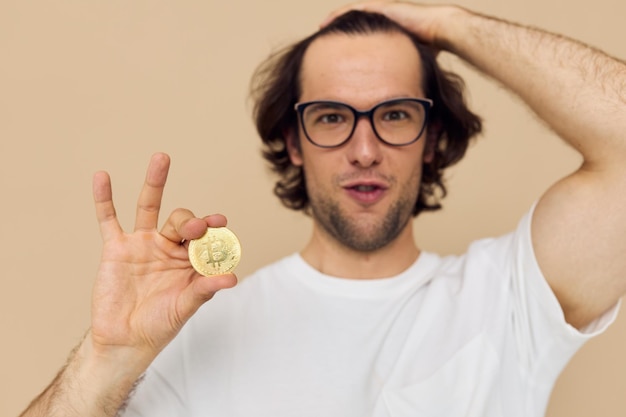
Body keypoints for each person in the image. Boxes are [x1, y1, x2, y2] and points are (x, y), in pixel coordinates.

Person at [19, 1, 626, 416]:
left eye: (394, 115)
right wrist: (107, 359)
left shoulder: (511, 300)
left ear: (432, 137)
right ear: (294, 141)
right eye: (332, 118)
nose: (365, 151)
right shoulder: (197, 334)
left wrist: (447, 24)